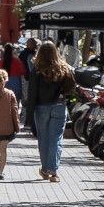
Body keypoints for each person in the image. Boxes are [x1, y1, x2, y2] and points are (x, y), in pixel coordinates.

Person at [24, 40, 76, 182]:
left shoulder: (36, 69)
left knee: (44, 140)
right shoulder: (63, 68)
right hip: (59, 106)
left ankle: (45, 169)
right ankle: (53, 170)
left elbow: (32, 92)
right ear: (55, 52)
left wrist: (28, 118)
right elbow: (72, 86)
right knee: (56, 139)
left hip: (41, 108)